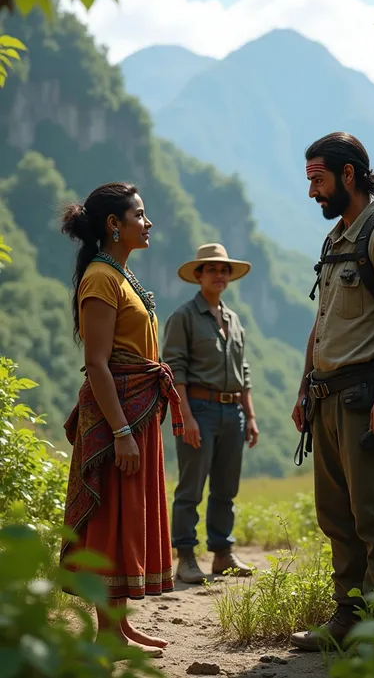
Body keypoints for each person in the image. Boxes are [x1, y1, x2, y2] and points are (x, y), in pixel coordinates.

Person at [290, 133, 374, 651]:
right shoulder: (336, 239)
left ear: (349, 175)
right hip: (327, 398)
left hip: (368, 398)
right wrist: (305, 387)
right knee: (337, 518)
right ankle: (348, 618)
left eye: (318, 180)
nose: (312, 193)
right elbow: (322, 322)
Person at [60, 182, 183, 657]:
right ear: (115, 224)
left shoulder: (121, 276)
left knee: (127, 514)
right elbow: (97, 363)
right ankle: (107, 634)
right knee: (111, 514)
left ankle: (118, 628)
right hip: (120, 418)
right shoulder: (100, 278)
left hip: (137, 412)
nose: (147, 223)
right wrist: (122, 431)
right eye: (140, 215)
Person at [162, 243, 259, 584]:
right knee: (191, 488)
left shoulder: (233, 319)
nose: (219, 274)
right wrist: (185, 418)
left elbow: (242, 370)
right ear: (198, 275)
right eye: (212, 269)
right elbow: (174, 371)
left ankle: (222, 553)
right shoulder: (183, 318)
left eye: (224, 270)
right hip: (198, 410)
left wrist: (250, 415)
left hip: (233, 412)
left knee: (225, 488)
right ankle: (186, 557)